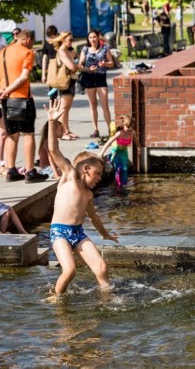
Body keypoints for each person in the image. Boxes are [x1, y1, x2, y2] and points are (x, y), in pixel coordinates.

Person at [45, 99, 119, 295]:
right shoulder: (69, 177)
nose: (100, 178)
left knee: (101, 267)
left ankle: (107, 298)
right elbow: (53, 149)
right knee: (69, 270)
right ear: (86, 169)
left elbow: (93, 218)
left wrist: (105, 235)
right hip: (59, 232)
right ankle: (56, 299)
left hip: (77, 233)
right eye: (98, 173)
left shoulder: (88, 194)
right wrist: (53, 122)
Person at [0, 29, 48, 184]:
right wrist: (9, 90)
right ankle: (30, 171)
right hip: (22, 98)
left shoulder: (1, 53)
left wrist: (1, 92)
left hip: (5, 100)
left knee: (12, 135)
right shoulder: (27, 53)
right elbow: (24, 77)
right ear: (28, 39)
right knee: (28, 134)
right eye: (31, 42)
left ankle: (11, 170)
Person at [78, 30, 114, 139]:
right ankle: (95, 129)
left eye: (94, 37)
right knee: (92, 105)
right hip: (89, 77)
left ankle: (110, 129)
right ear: (88, 39)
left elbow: (112, 63)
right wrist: (88, 68)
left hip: (100, 78)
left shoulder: (105, 48)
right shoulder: (85, 49)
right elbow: (80, 65)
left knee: (105, 105)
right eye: (90, 37)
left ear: (98, 38)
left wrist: (105, 64)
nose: (93, 39)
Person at [47, 31, 83, 140]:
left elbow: (74, 66)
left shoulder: (67, 51)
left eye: (72, 39)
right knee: (63, 108)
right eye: (70, 40)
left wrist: (78, 66)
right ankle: (62, 133)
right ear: (63, 39)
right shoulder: (62, 51)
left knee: (66, 108)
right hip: (65, 82)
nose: (72, 42)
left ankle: (66, 130)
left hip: (70, 81)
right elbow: (72, 67)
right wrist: (78, 66)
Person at [98, 114, 140, 188]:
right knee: (118, 168)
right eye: (128, 127)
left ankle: (123, 183)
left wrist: (139, 148)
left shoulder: (132, 133)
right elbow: (109, 142)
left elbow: (136, 141)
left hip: (124, 152)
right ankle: (118, 184)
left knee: (124, 168)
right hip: (116, 151)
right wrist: (102, 153)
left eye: (131, 127)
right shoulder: (119, 133)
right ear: (123, 125)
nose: (129, 129)